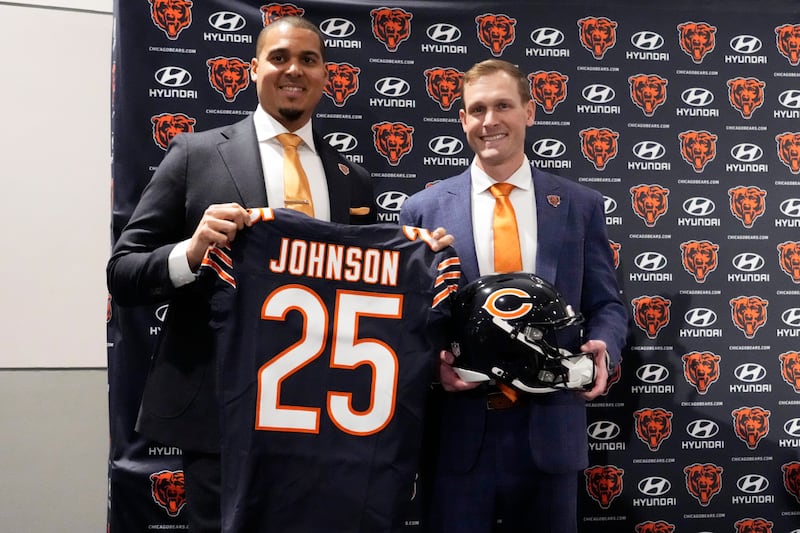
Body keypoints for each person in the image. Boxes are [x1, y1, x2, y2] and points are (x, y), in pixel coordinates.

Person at [107, 16, 450, 532]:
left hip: (323, 419)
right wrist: (192, 252)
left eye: (309, 60)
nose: (294, 70)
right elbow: (122, 273)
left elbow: (368, 285)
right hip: (223, 415)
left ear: (326, 75)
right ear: (253, 69)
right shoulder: (195, 154)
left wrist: (420, 262)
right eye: (280, 57)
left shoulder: (350, 178)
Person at [399, 59, 628, 533]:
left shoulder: (579, 206)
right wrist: (431, 362)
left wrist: (606, 345)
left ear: (529, 111)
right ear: (462, 120)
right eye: (476, 109)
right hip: (458, 432)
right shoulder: (421, 210)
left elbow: (607, 304)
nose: (489, 121)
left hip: (550, 432)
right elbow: (406, 317)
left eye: (502, 105)